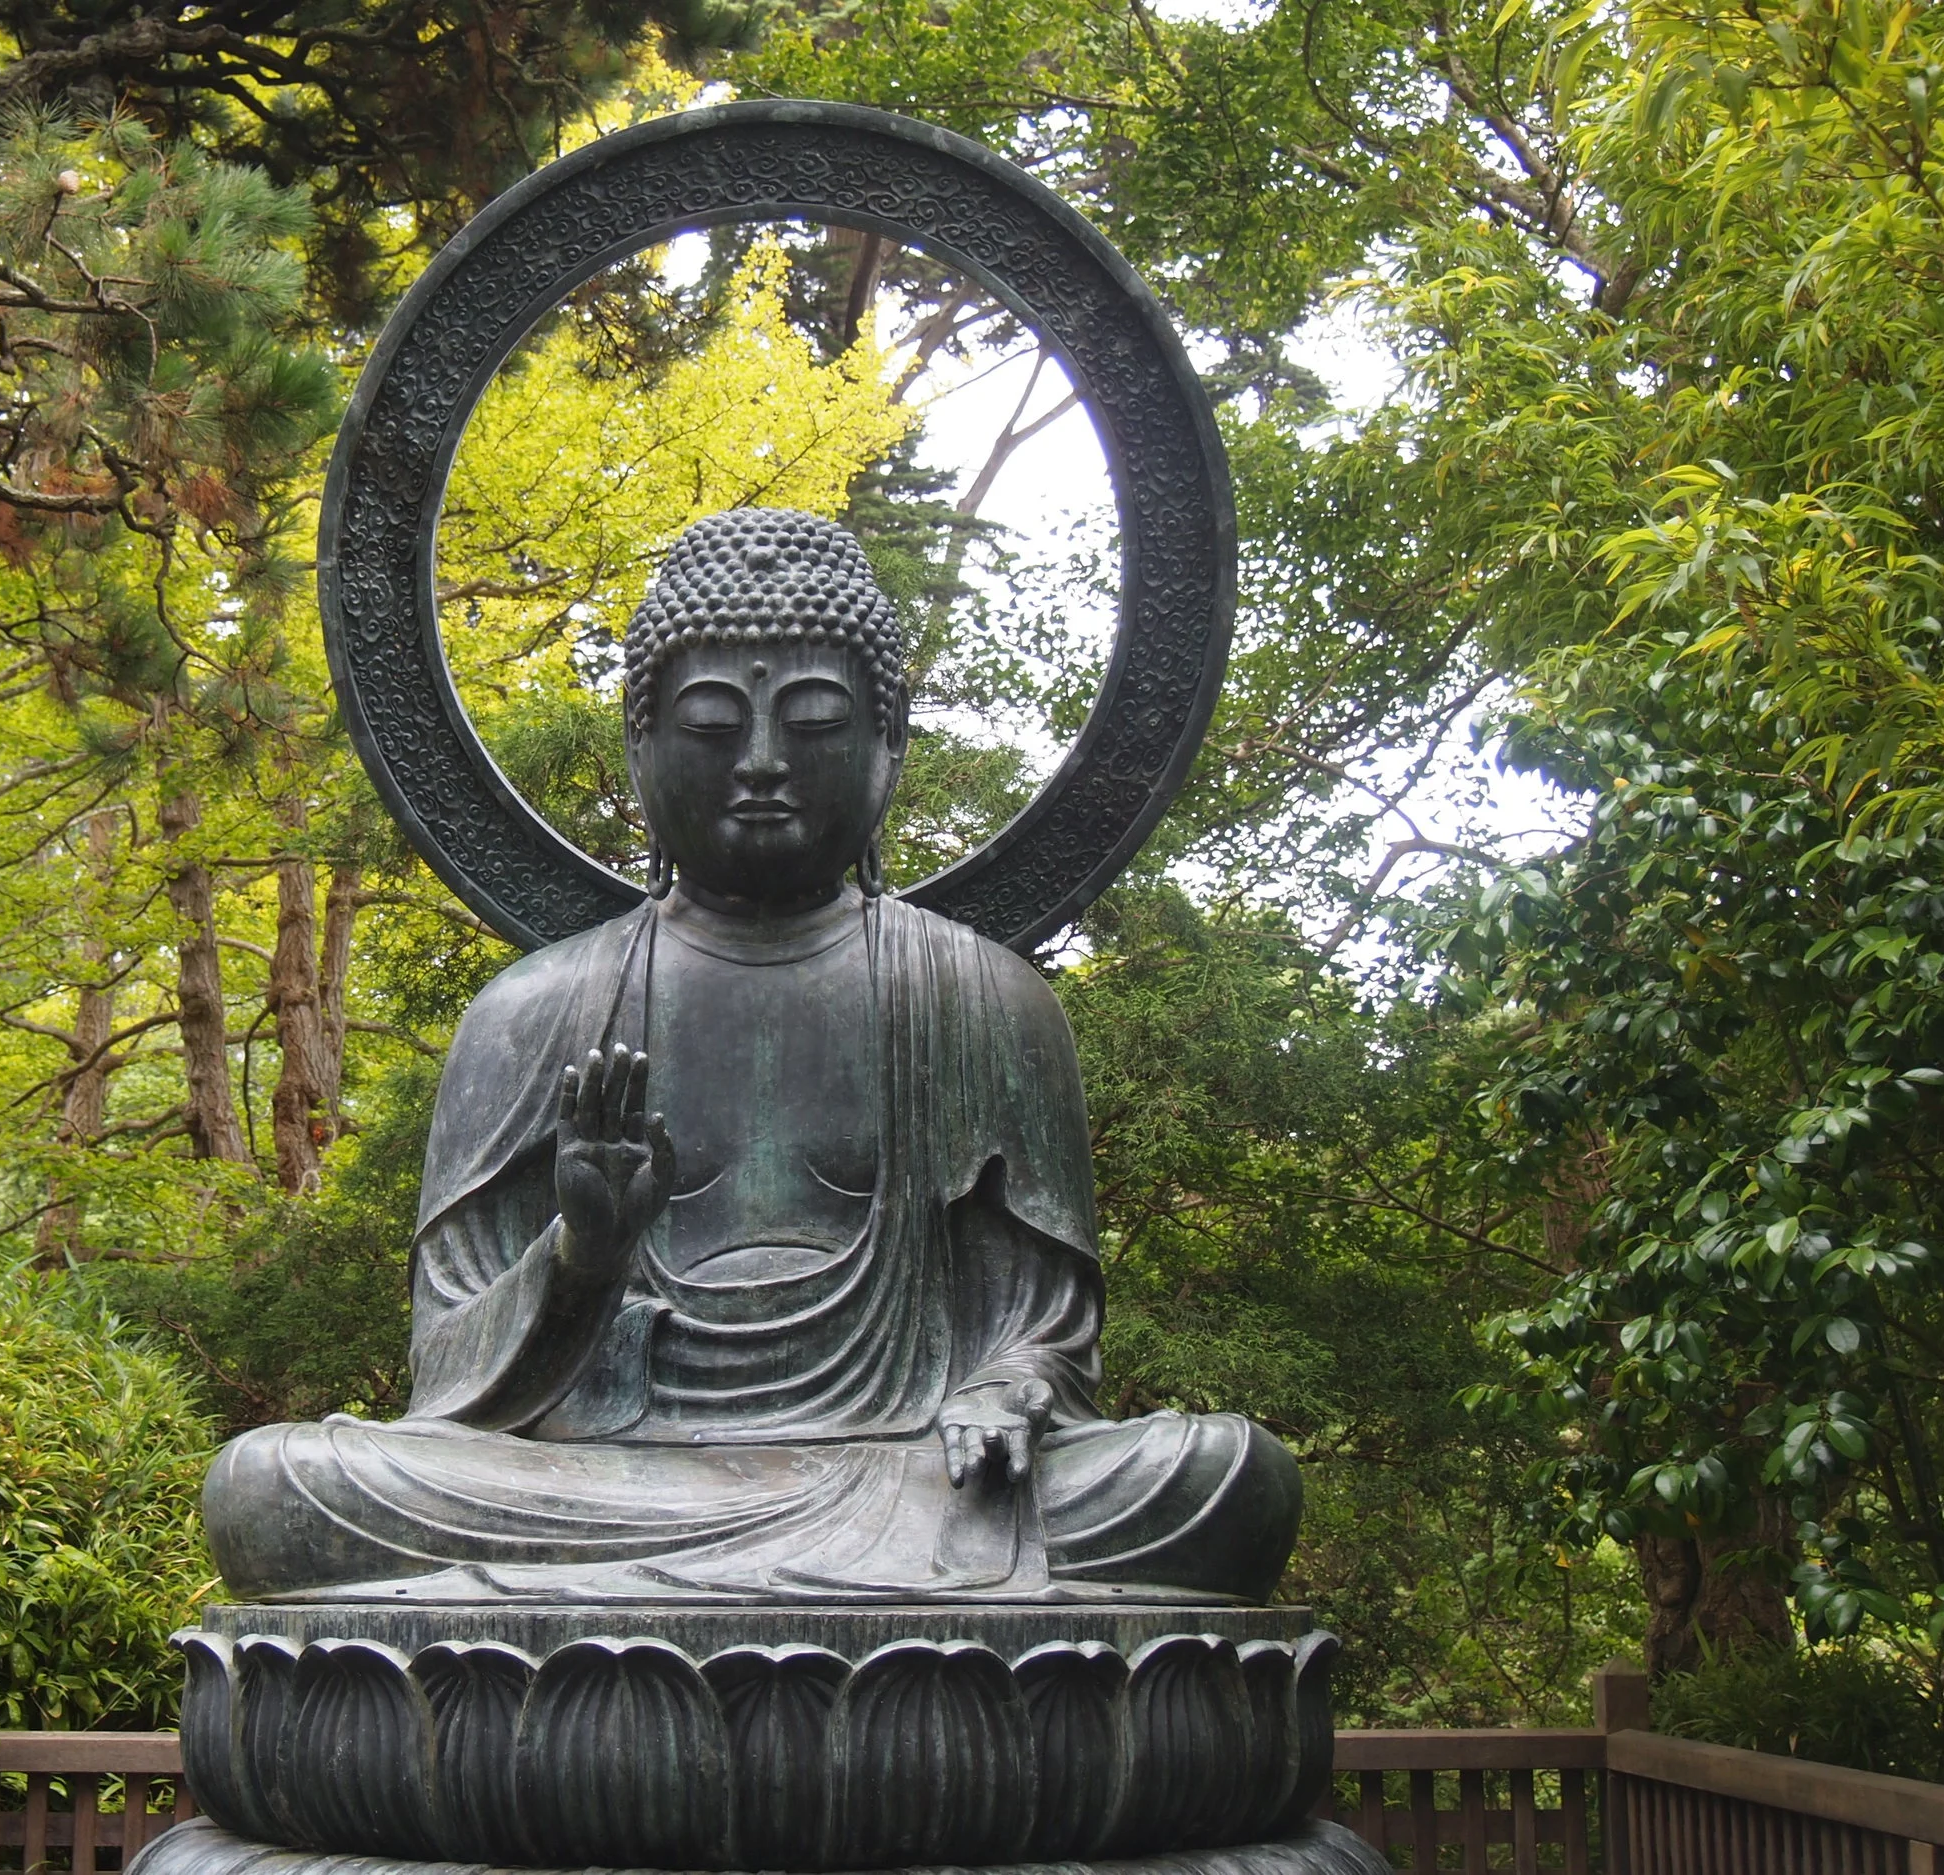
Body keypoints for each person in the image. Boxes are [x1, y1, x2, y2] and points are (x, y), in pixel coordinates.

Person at [205, 508, 1300, 1603]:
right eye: (712, 725)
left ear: (889, 744)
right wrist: (582, 1253)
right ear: (641, 743)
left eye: (816, 723)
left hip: (906, 1470)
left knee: (1217, 1477)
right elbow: (444, 1376)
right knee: (281, 1488)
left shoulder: (980, 999)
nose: (765, 764)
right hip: (605, 1480)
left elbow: (1041, 1335)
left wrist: (1007, 1393)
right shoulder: (534, 1009)